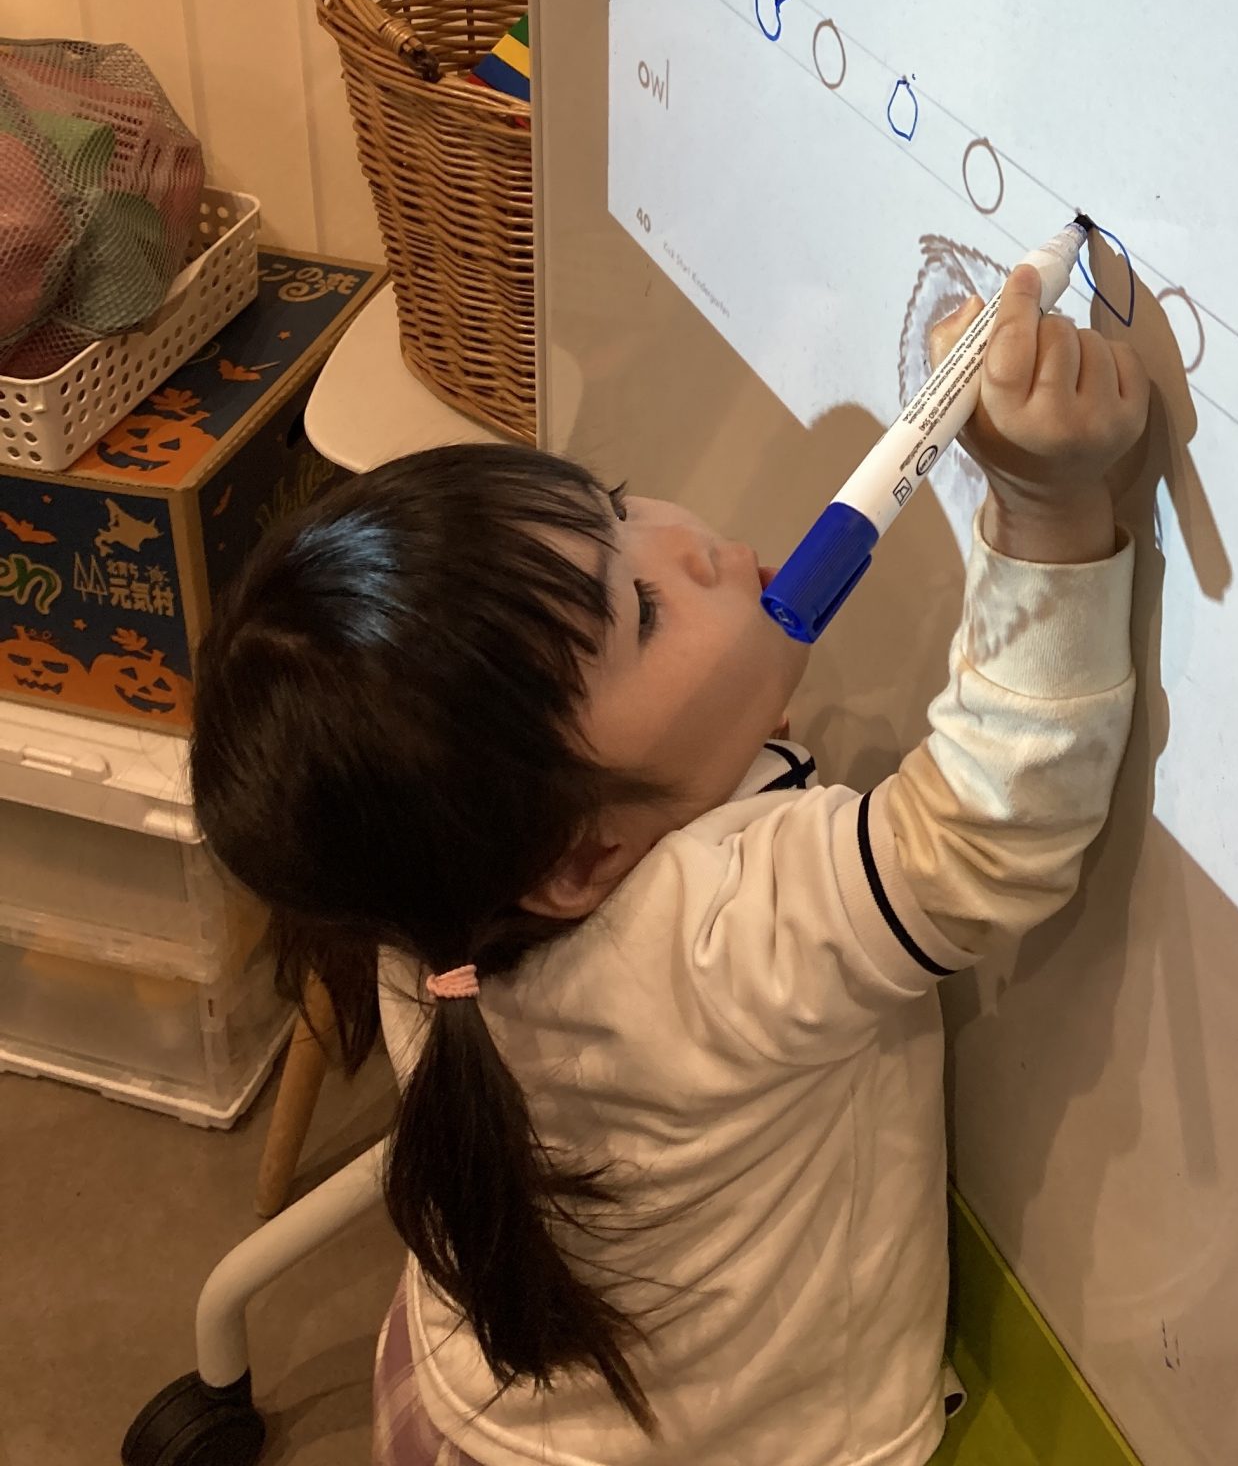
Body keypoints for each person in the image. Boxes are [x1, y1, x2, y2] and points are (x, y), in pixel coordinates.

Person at [191, 265, 1148, 1466]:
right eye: (642, 610)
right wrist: (1049, 511)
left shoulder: (434, 898)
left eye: (616, 505)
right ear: (587, 852)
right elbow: (986, 833)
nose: (685, 541)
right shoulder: (709, 936)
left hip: (471, 1402)